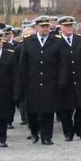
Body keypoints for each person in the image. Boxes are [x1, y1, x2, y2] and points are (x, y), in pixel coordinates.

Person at [17, 15, 62, 145]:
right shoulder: (28, 41)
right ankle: (34, 131)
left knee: (48, 111)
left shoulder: (56, 41)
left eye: (47, 26)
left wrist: (61, 80)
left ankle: (47, 137)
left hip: (50, 81)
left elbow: (61, 63)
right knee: (32, 111)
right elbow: (23, 64)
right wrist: (22, 82)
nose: (45, 29)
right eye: (42, 27)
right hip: (32, 82)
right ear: (36, 28)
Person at [56, 16, 81, 141]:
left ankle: (80, 130)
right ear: (61, 28)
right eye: (66, 26)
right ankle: (68, 132)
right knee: (65, 109)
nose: (69, 28)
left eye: (71, 26)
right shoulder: (56, 42)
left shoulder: (80, 40)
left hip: (79, 78)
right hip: (65, 80)